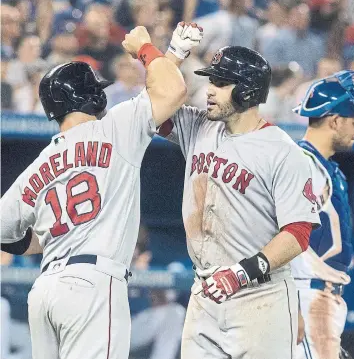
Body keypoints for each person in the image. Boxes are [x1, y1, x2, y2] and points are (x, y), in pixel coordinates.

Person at [0, 23, 203, 359]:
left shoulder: (40, 164)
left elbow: (5, 232)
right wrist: (146, 49)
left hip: (45, 290)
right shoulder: (113, 127)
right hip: (93, 286)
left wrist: (50, 238)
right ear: (90, 96)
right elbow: (170, 91)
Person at [159, 45, 321, 359]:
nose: (209, 90)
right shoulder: (198, 126)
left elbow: (298, 233)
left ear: (247, 91)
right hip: (205, 291)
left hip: (260, 296)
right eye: (211, 82)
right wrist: (172, 54)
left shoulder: (282, 151)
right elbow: (152, 106)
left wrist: (240, 274)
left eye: (220, 83)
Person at [291, 70, 354, 359]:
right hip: (304, 297)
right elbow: (281, 238)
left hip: (322, 299)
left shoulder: (329, 170)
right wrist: (294, 307)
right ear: (334, 120)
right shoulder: (300, 165)